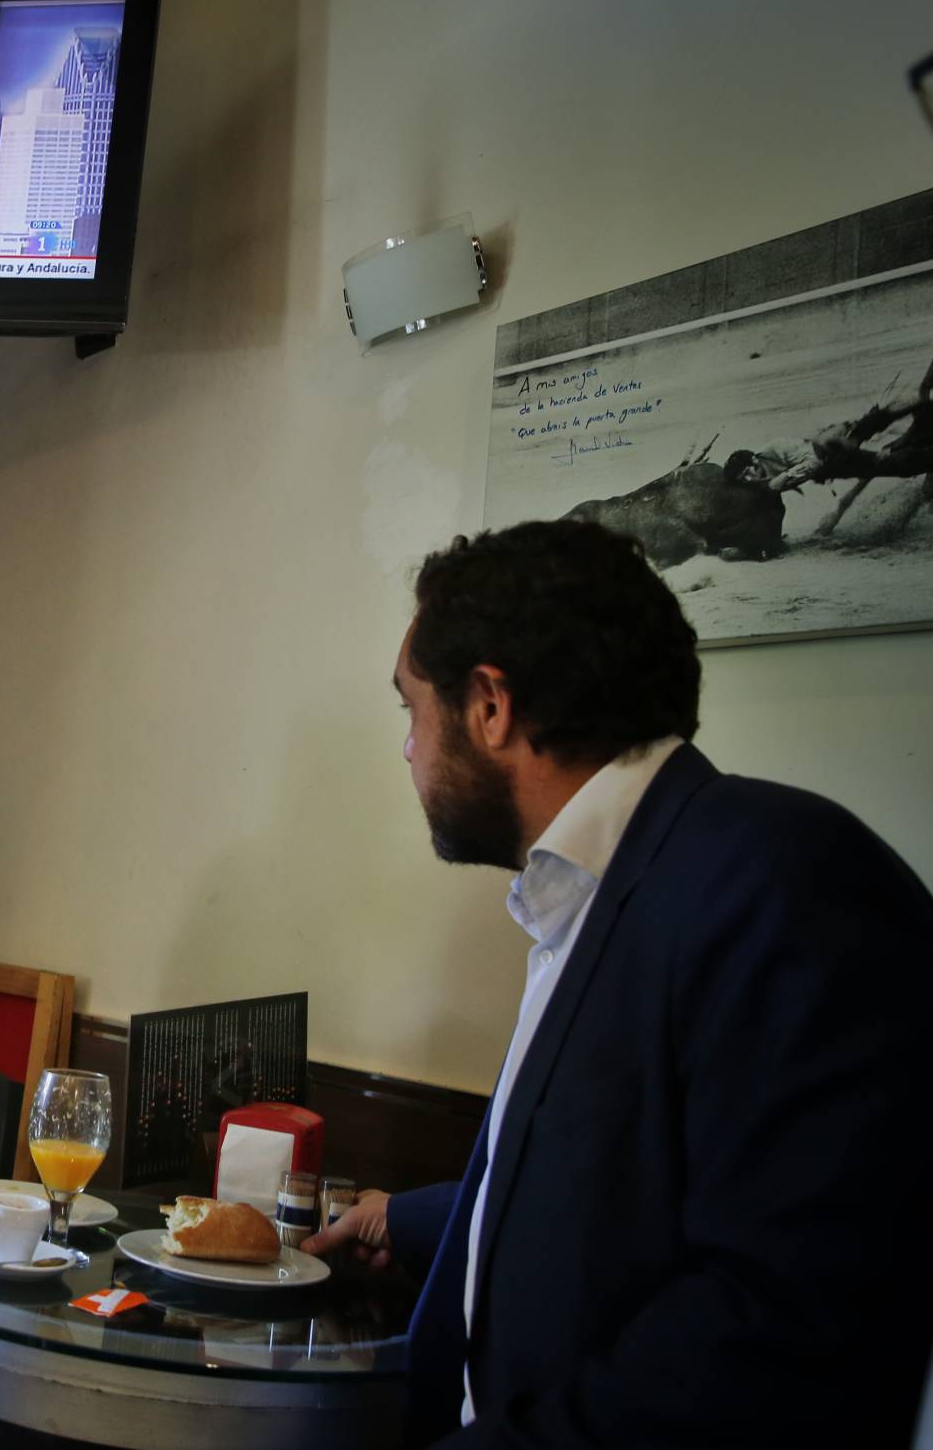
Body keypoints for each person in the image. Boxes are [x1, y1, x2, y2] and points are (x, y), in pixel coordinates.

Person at [304, 519, 933, 1446]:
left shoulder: (789, 879)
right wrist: (414, 1221)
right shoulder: (594, 889)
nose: (407, 750)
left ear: (490, 706)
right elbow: (623, 1185)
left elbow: (774, 1329)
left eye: (410, 710)